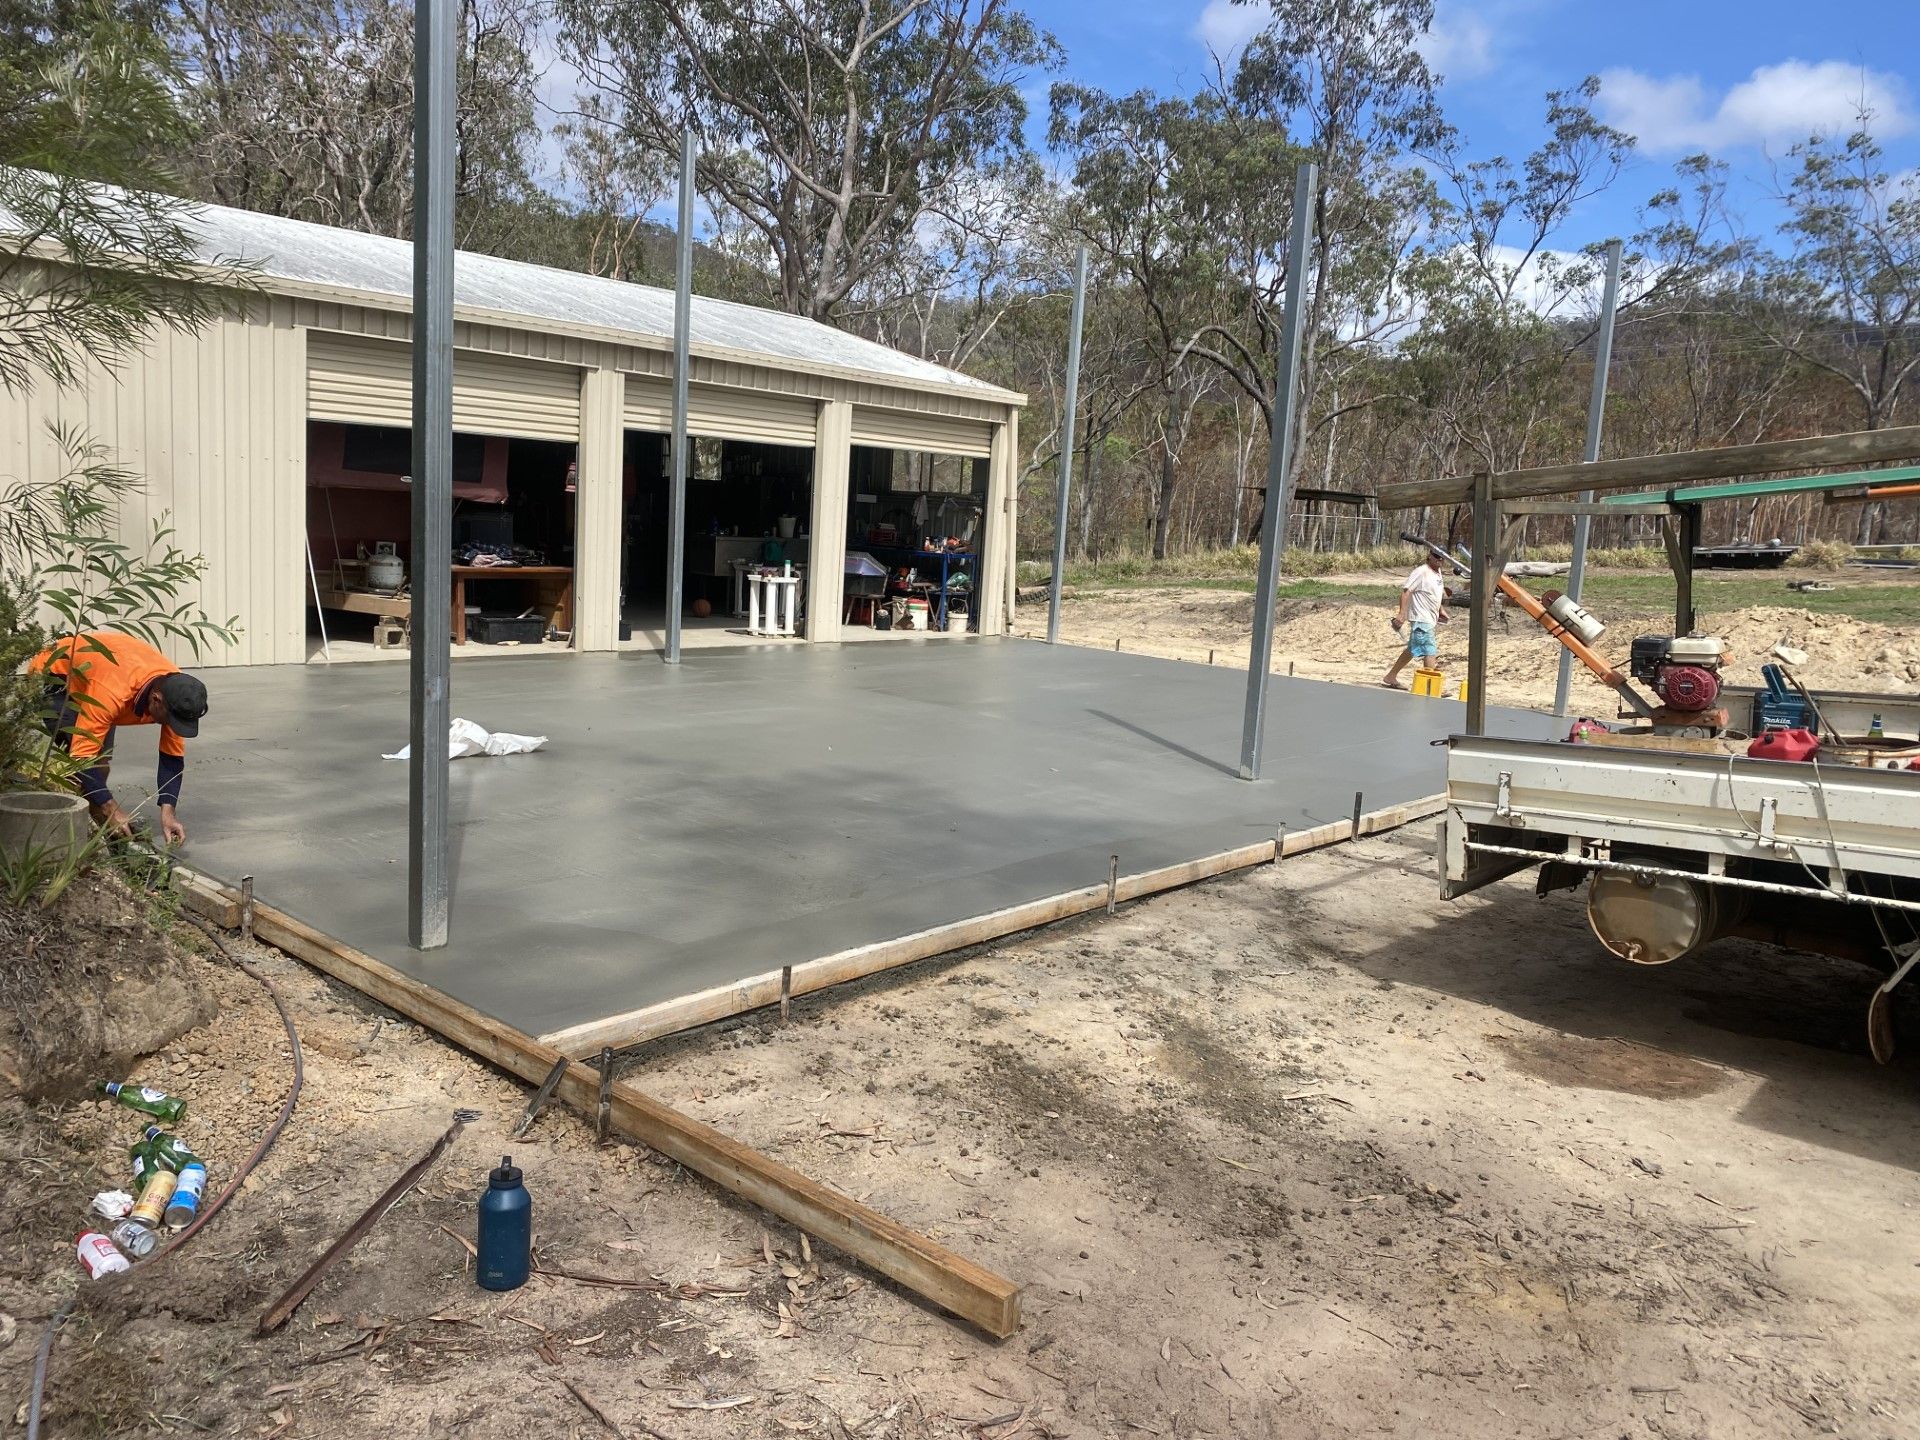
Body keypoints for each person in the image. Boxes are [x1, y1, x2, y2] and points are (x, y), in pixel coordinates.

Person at [29, 631, 209, 844]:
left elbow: (171, 758)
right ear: (156, 700)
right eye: (170, 720)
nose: (172, 726)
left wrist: (168, 813)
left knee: (100, 767)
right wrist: (111, 808)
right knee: (86, 767)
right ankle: (67, 834)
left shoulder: (178, 694)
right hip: (56, 673)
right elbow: (81, 759)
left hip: (101, 673)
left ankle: (99, 828)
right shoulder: (113, 692)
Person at [1383, 549, 1450, 690]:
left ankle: (1391, 676)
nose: (1440, 559)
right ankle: (1431, 686)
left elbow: (1434, 594)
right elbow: (1406, 592)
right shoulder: (1421, 572)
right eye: (1437, 556)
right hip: (1421, 618)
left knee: (1412, 649)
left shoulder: (1437, 573)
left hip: (1430, 618)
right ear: (1429, 556)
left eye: (1442, 557)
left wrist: (1441, 610)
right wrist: (1402, 613)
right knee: (1429, 649)